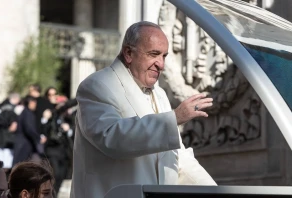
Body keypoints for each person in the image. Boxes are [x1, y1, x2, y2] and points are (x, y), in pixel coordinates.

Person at [70, 21, 216, 198]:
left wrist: (217, 192)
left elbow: (178, 158)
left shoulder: (160, 94)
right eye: (154, 54)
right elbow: (112, 137)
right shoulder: (97, 86)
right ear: (129, 53)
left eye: (164, 56)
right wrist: (175, 118)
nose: (161, 64)